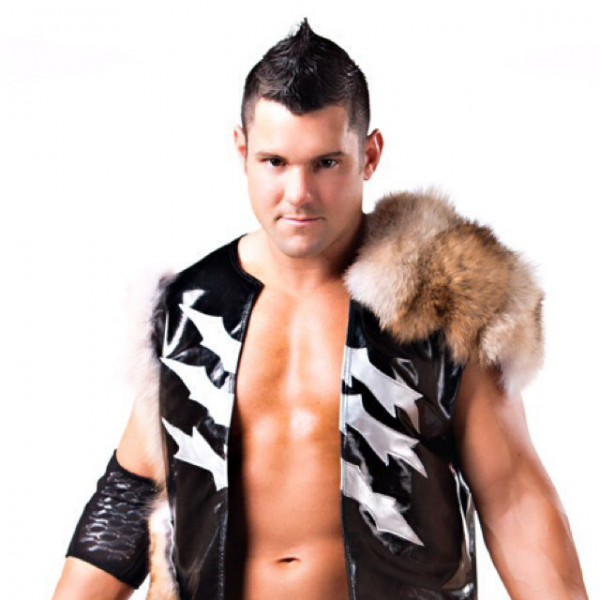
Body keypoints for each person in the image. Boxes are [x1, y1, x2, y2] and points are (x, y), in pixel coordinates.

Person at [52, 19, 587, 600]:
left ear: (369, 155)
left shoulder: (436, 306)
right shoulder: (190, 311)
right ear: (243, 152)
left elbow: (513, 501)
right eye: (275, 162)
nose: (299, 194)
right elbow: (129, 496)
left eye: (326, 163)